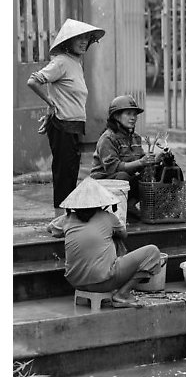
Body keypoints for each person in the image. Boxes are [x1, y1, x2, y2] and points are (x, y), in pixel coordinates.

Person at [27, 18, 105, 218]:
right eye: (78, 38)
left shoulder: (76, 64)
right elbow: (33, 81)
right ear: (68, 42)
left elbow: (60, 92)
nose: (83, 42)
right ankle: (61, 219)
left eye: (86, 38)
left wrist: (51, 105)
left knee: (70, 173)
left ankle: (66, 218)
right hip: (62, 125)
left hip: (73, 126)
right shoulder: (61, 62)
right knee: (64, 174)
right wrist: (50, 105)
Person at [60, 177, 161, 308]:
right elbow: (124, 234)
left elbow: (51, 228)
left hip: (75, 281)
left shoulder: (66, 220)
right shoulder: (108, 217)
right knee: (152, 252)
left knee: (111, 242)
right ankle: (122, 294)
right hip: (104, 282)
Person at [90, 95, 160, 219]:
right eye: (128, 114)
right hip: (103, 185)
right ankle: (117, 211)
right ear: (116, 116)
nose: (133, 118)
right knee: (122, 177)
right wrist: (141, 162)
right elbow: (114, 168)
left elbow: (141, 160)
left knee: (153, 172)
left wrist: (155, 160)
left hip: (125, 181)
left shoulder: (136, 137)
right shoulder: (107, 138)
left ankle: (130, 205)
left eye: (135, 114)